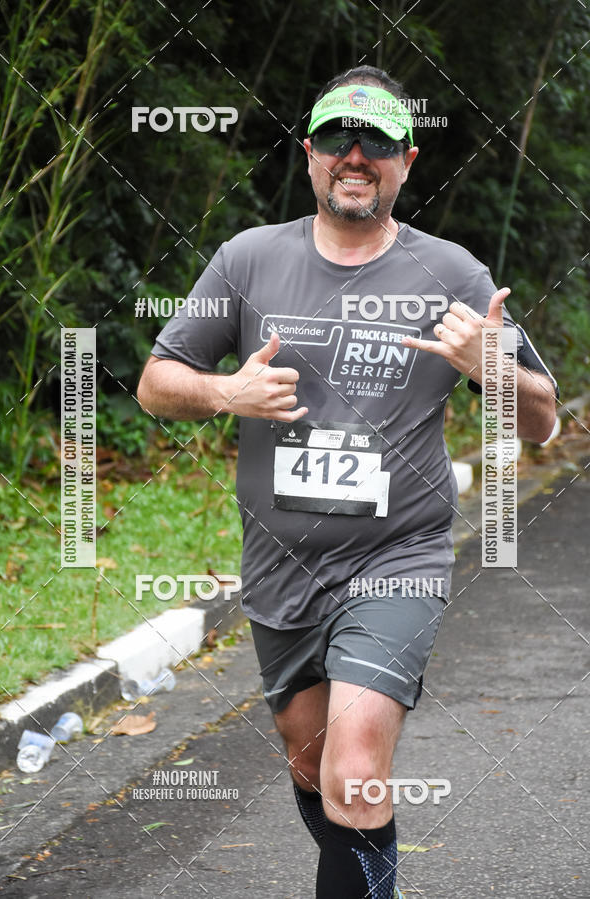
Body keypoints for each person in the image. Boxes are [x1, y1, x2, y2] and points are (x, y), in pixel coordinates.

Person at [137, 66, 558, 899]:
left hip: (398, 554)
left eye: (374, 143)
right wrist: (227, 392)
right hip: (279, 565)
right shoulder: (249, 260)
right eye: (336, 137)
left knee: (356, 765)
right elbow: (156, 381)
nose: (353, 155)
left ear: (405, 161)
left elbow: (543, 422)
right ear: (309, 154)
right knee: (312, 759)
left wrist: (493, 372)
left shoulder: (454, 276)